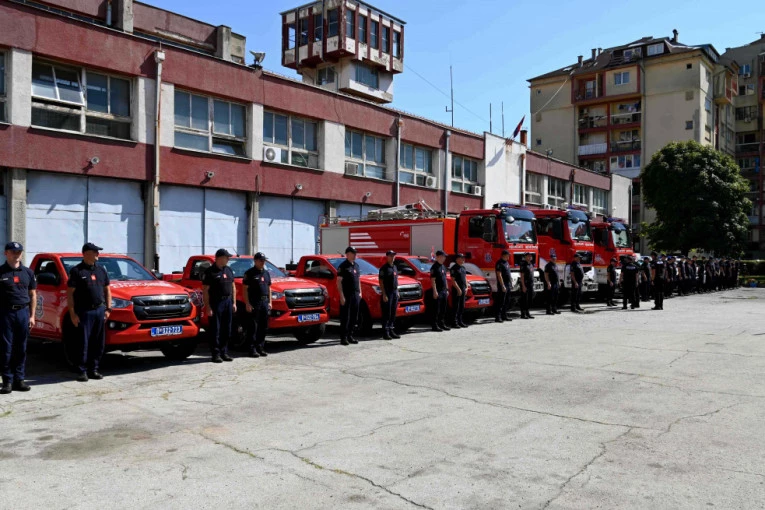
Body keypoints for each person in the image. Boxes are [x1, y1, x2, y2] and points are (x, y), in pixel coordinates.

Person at [67, 243, 111, 382]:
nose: (98, 254)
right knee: (82, 343)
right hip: (84, 311)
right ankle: (82, 371)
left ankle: (94, 369)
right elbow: (70, 294)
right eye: (95, 252)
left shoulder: (101, 270)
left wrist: (108, 309)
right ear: (86, 253)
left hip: (99, 310)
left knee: (98, 342)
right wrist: (72, 313)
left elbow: (107, 290)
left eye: (98, 252)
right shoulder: (77, 271)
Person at [0, 242, 37, 394]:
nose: (16, 254)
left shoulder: (28, 273)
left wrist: (32, 316)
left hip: (23, 313)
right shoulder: (1, 272)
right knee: (6, 349)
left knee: (21, 348)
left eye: (19, 252)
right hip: (5, 314)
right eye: (13, 251)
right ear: (6, 253)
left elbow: (33, 295)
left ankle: (19, 379)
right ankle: (7, 381)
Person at [203, 248, 236, 363]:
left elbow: (233, 287)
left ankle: (224, 352)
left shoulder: (229, 270)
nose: (228, 259)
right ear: (220, 258)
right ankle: (216, 354)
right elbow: (205, 290)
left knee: (227, 329)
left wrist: (234, 302)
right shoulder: (210, 272)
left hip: (228, 302)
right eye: (227, 257)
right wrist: (208, 307)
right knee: (215, 329)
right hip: (216, 303)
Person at [242, 252, 271, 358]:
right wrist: (247, 303)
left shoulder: (266, 273)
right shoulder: (250, 273)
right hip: (255, 302)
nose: (263, 262)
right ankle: (252, 349)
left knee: (263, 327)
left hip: (264, 302)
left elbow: (269, 288)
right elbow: (245, 289)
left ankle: (260, 347)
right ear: (255, 261)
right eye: (261, 260)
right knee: (253, 327)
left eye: (264, 260)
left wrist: (270, 302)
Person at [337, 246, 361, 345]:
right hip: (347, 295)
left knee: (354, 317)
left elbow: (358, 280)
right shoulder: (343, 266)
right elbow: (338, 282)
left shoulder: (356, 265)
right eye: (353, 253)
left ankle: (350, 335)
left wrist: (360, 292)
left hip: (355, 294)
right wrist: (341, 296)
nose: (355, 255)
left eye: (355, 253)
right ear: (348, 254)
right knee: (345, 317)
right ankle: (344, 337)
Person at [379, 250, 400, 339]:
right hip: (387, 292)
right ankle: (385, 332)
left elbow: (396, 280)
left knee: (393, 312)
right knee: (387, 313)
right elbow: (381, 282)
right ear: (387, 257)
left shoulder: (394, 267)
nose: (392, 257)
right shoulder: (384, 268)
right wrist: (384, 294)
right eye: (391, 256)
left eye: (393, 256)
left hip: (394, 292)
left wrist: (397, 291)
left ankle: (391, 330)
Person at [430, 250, 450, 332]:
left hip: (443, 290)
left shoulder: (443, 267)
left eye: (444, 257)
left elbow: (445, 279)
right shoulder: (434, 267)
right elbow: (433, 280)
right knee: (436, 309)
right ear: (438, 257)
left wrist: (447, 289)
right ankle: (434, 325)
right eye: (443, 256)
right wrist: (435, 291)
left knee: (443, 309)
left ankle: (441, 323)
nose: (444, 258)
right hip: (438, 290)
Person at [449, 253, 469, 328]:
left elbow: (465, 278)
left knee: (461, 306)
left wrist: (467, 287)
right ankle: (454, 322)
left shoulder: (463, 268)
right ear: (457, 259)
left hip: (463, 289)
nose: (463, 259)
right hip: (457, 290)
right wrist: (458, 289)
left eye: (464, 258)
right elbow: (453, 280)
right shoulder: (454, 268)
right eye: (461, 258)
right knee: (456, 306)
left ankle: (460, 321)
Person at [495, 250, 513, 322]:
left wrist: (511, 283)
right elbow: (499, 275)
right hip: (503, 284)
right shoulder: (499, 263)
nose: (509, 257)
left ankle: (504, 315)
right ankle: (498, 317)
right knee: (501, 301)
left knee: (507, 300)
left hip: (508, 284)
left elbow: (508, 273)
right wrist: (502, 285)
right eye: (507, 255)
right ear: (504, 255)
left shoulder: (506, 263)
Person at [543, 250, 561, 315]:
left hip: (556, 283)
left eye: (555, 258)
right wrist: (548, 283)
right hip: (551, 283)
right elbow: (546, 275)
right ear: (550, 259)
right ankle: (548, 310)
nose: (554, 259)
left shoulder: (555, 265)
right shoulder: (548, 265)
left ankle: (554, 309)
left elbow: (557, 274)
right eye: (553, 258)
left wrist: (559, 282)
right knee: (550, 297)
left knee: (555, 297)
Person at [518, 252, 535, 319]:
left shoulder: (531, 264)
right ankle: (523, 313)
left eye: (530, 256)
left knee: (530, 299)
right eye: (528, 256)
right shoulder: (523, 264)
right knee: (524, 299)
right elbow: (522, 276)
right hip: (525, 284)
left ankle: (527, 312)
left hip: (530, 284)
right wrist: (523, 286)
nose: (529, 257)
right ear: (525, 257)